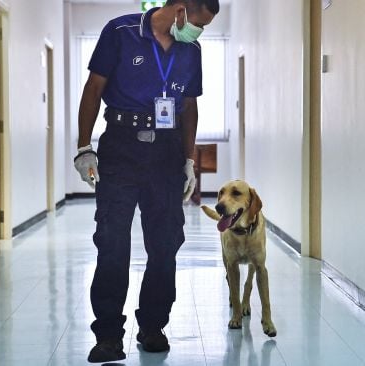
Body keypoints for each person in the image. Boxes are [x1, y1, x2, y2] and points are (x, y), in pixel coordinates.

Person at [73, 0, 219, 362]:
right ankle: (108, 335)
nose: (199, 33)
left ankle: (153, 326)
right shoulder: (120, 32)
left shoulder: (191, 50)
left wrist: (189, 158)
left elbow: (188, 105)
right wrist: (83, 147)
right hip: (121, 145)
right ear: (181, 10)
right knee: (112, 241)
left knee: (166, 242)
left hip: (166, 152)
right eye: (199, 24)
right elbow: (94, 88)